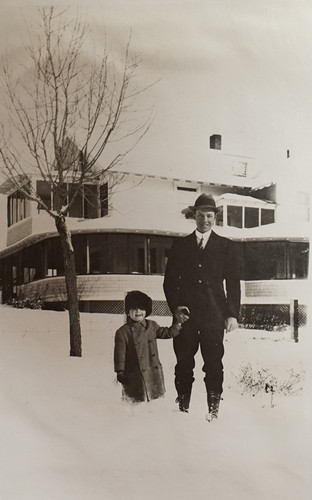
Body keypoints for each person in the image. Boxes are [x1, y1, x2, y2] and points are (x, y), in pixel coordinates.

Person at [163, 193, 241, 421]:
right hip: (185, 317)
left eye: (209, 215)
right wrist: (175, 309)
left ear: (215, 217)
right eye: (200, 215)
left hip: (214, 316)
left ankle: (213, 409)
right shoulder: (180, 245)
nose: (204, 220)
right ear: (193, 217)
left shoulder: (226, 247)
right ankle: (183, 406)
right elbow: (169, 282)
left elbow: (233, 284)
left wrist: (232, 314)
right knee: (184, 362)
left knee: (214, 363)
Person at [114, 290, 184, 403]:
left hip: (152, 370)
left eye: (141, 308)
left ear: (146, 311)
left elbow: (166, 333)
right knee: (135, 401)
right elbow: (120, 354)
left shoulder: (152, 326)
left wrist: (178, 324)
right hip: (134, 373)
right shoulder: (123, 332)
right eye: (134, 309)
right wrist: (120, 371)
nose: (138, 312)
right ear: (128, 311)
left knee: (154, 399)